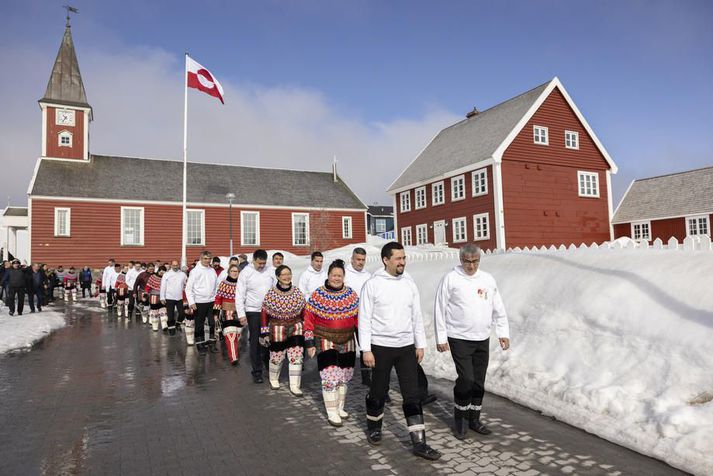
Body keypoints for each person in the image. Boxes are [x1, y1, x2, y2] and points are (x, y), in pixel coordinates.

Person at [359, 242, 441, 461]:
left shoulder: (409, 283)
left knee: (412, 394)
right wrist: (366, 350)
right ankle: (374, 428)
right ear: (386, 260)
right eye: (398, 258)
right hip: (381, 347)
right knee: (378, 391)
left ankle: (420, 442)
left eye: (404, 258)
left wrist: (420, 344)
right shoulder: (373, 284)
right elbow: (364, 319)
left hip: (405, 347)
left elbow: (416, 315)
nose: (403, 262)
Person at [434, 244, 510, 439]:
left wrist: (503, 332)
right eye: (467, 261)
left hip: (481, 338)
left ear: (479, 260)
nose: (471, 265)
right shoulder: (451, 278)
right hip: (459, 337)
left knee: (478, 382)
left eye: (475, 261)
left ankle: (474, 418)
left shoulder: (487, 279)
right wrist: (441, 336)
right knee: (466, 379)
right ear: (461, 260)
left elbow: (498, 307)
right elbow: (439, 308)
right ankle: (461, 419)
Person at [305, 259, 359, 426]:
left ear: (344, 277)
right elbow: (308, 319)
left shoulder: (351, 295)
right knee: (330, 376)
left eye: (340, 275)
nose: (337, 278)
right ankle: (331, 411)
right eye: (334, 275)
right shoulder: (317, 295)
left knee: (344, 376)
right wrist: (309, 342)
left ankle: (340, 406)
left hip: (348, 340)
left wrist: (364, 344)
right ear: (328, 275)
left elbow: (358, 320)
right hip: (325, 339)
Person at [260, 265, 306, 394]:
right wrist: (264, 332)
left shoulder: (297, 292)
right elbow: (264, 313)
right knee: (277, 356)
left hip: (295, 327)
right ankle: (274, 378)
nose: (287, 277)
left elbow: (304, 311)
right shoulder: (271, 293)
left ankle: (295, 385)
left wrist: (307, 327)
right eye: (284, 274)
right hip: (277, 329)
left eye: (289, 274)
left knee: (296, 356)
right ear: (278, 277)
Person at [235, 249, 274, 383]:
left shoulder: (270, 271)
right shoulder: (246, 273)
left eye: (264, 263)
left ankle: (269, 365)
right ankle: (257, 371)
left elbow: (275, 288)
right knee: (256, 341)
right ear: (253, 260)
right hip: (253, 311)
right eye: (259, 263)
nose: (262, 266)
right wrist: (241, 314)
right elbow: (239, 294)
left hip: (270, 311)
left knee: (270, 339)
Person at [344, 247, 373, 386]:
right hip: (348, 317)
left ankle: (366, 377)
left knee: (365, 346)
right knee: (348, 347)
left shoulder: (368, 275)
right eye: (358, 259)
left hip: (363, 317)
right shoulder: (345, 274)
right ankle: (344, 372)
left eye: (363, 260)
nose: (361, 263)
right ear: (352, 259)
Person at [185, 251, 218, 353]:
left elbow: (216, 286)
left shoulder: (212, 270)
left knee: (212, 323)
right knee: (199, 324)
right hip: (199, 302)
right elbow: (188, 288)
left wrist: (216, 299)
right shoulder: (195, 271)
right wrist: (191, 302)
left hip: (211, 301)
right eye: (205, 258)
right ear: (201, 259)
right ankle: (200, 344)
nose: (207, 261)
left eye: (209, 259)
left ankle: (211, 343)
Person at [214, 264, 244, 364]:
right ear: (229, 272)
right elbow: (218, 298)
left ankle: (233, 351)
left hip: (240, 312)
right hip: (227, 312)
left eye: (237, 271)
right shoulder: (223, 284)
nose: (235, 273)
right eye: (233, 271)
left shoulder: (242, 284)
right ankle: (233, 358)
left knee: (237, 334)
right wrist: (216, 313)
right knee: (230, 335)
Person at [161, 260, 187, 335]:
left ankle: (178, 324)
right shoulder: (166, 274)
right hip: (169, 297)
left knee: (182, 313)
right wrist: (162, 297)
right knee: (170, 316)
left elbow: (187, 284)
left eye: (176, 265)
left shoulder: (183, 274)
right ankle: (171, 330)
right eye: (174, 265)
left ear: (179, 265)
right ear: (171, 265)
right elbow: (163, 286)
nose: (175, 267)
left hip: (180, 297)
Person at [145, 266, 167, 331]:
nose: (161, 273)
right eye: (160, 271)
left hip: (163, 296)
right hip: (153, 296)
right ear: (158, 271)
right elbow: (148, 286)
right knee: (154, 311)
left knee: (163, 310)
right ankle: (155, 327)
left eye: (163, 272)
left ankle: (164, 325)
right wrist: (145, 294)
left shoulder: (166, 278)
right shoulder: (153, 277)